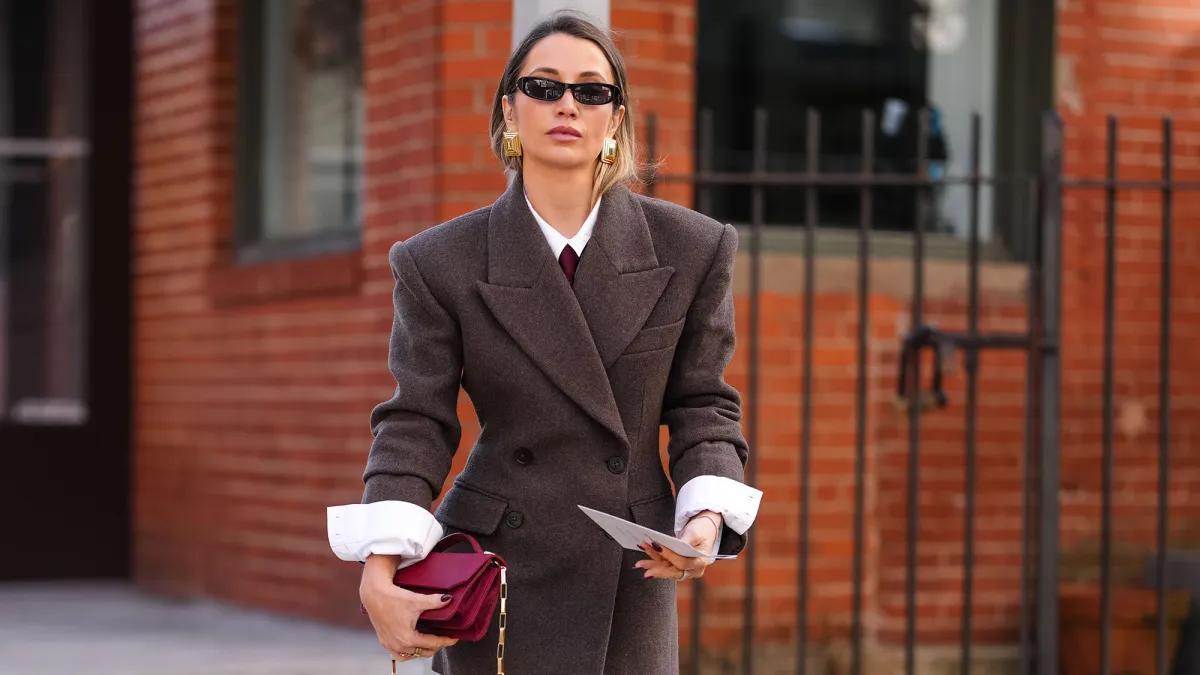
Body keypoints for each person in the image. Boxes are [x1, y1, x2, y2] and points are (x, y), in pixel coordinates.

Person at [326, 10, 762, 675]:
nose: (568, 104)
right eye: (544, 86)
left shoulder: (692, 248)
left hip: (630, 567)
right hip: (499, 570)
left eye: (592, 90)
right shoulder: (438, 261)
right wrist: (380, 565)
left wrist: (705, 517)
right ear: (510, 108)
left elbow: (704, 403)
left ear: (615, 119)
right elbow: (416, 419)